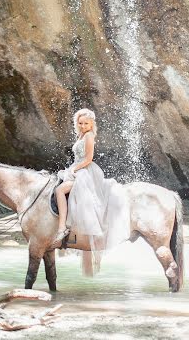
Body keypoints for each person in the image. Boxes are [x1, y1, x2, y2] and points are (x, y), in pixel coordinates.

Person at [50, 108, 130, 274]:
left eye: (86, 123)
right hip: (78, 170)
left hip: (86, 172)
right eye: (80, 123)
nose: (83, 125)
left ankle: (62, 227)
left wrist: (74, 169)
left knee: (59, 191)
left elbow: (88, 159)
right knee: (61, 190)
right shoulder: (80, 135)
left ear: (92, 124)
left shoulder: (89, 136)